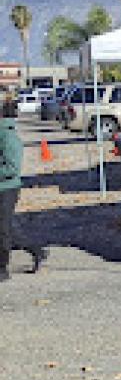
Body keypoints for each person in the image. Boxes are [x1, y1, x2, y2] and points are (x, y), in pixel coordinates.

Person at [0, 100, 46, 281]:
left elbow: (12, 168)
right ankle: (35, 249)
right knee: (6, 228)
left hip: (7, 189)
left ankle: (2, 268)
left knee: (3, 229)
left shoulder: (8, 136)